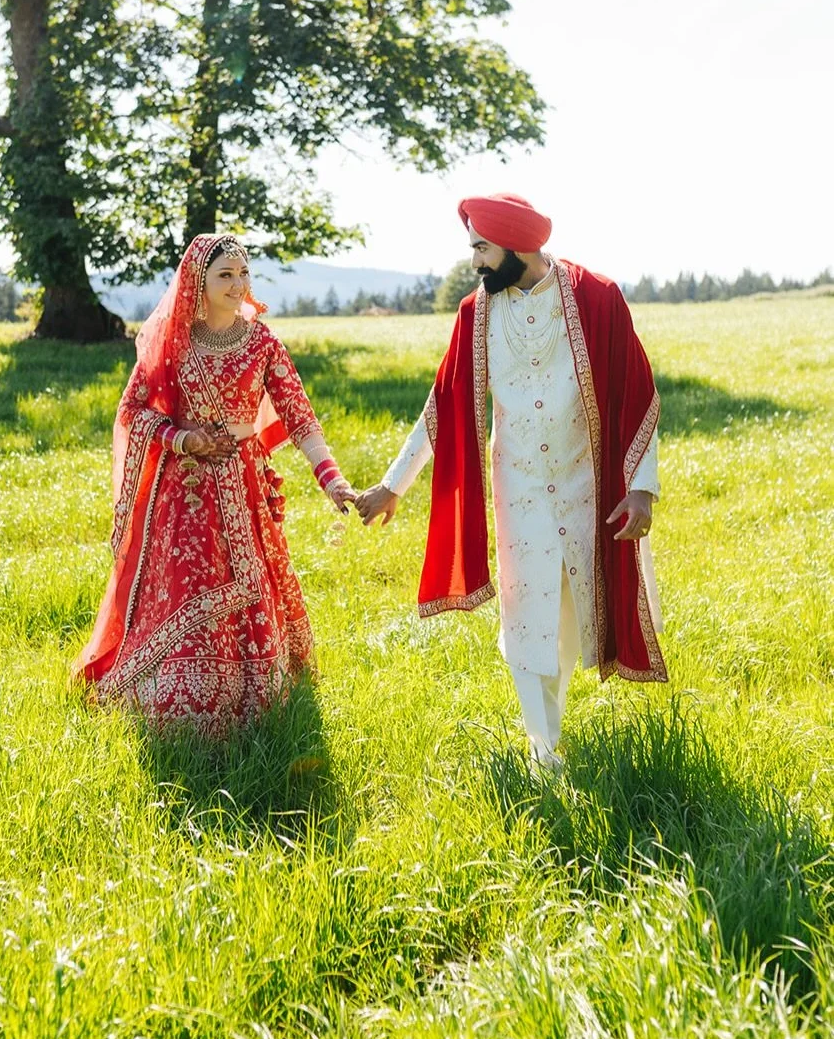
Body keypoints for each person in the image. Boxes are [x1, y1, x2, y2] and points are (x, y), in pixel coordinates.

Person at [356, 193, 667, 770]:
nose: (474, 261)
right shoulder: (474, 316)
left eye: (481, 248)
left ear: (518, 245)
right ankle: (543, 753)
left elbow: (637, 390)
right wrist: (393, 486)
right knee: (528, 619)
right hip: (518, 489)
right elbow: (443, 406)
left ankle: (552, 727)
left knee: (572, 620)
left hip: (586, 484)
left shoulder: (598, 299)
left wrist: (641, 488)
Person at [74, 234, 355, 732]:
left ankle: (256, 698)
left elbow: (299, 415)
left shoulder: (262, 340)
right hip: (184, 494)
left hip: (245, 487)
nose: (237, 284)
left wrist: (330, 479)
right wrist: (182, 440)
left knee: (253, 585)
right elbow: (131, 411)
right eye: (225, 275)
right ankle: (181, 700)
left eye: (243, 274)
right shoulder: (172, 341)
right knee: (187, 585)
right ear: (197, 282)